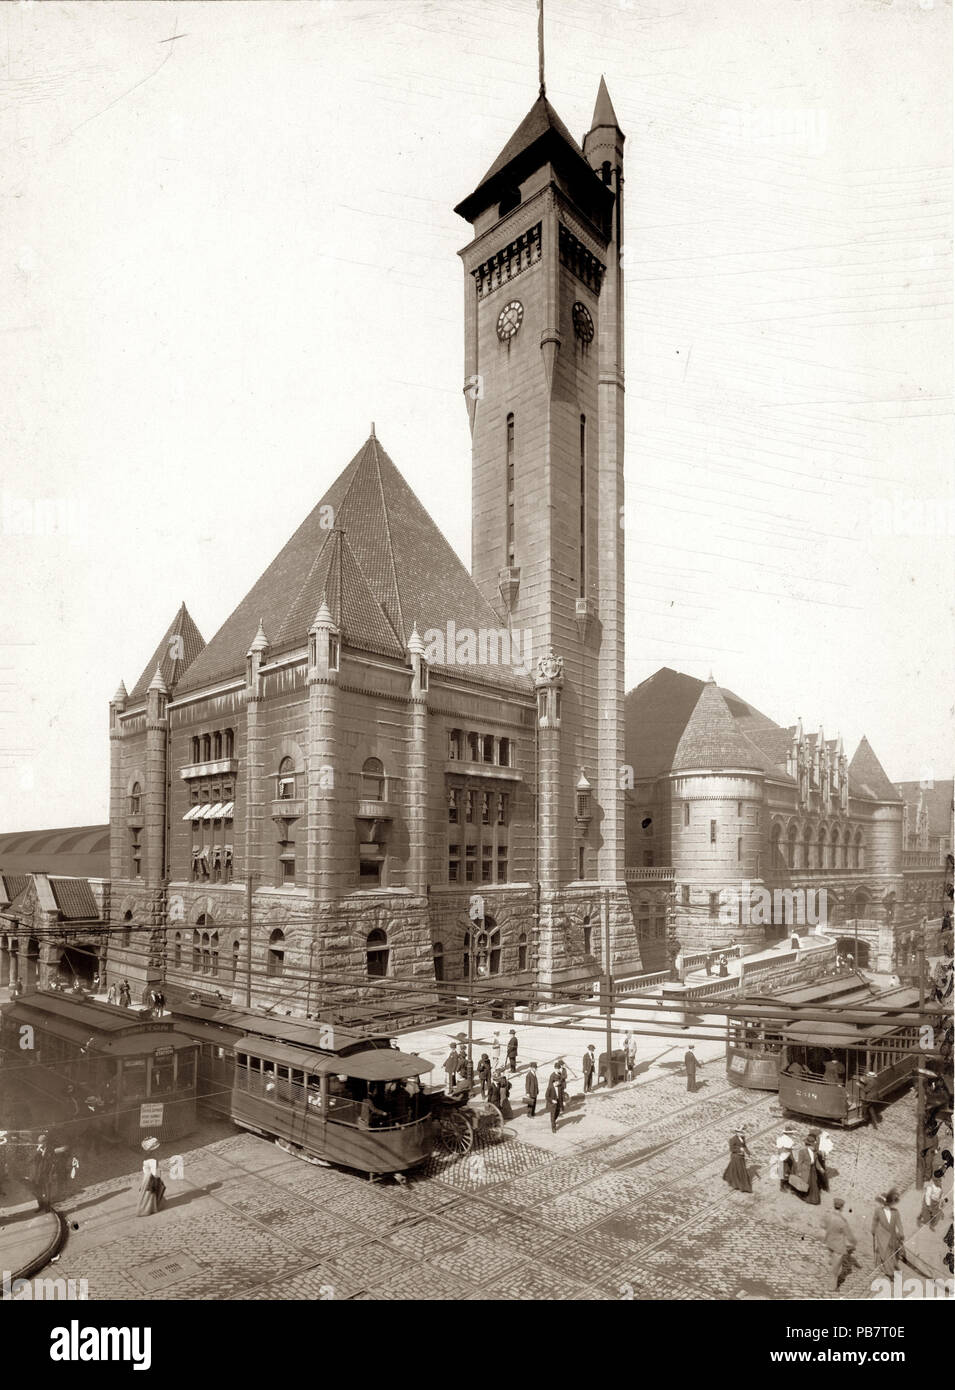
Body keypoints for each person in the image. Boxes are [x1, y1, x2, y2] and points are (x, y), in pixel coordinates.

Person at [822, 1198, 856, 1292]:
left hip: (829, 1242)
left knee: (832, 1260)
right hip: (838, 1246)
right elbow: (849, 1235)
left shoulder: (828, 1215)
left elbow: (823, 1225)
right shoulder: (842, 1221)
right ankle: (832, 1287)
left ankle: (831, 1264)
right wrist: (854, 1242)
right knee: (836, 1269)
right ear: (841, 1207)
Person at [872, 1190, 904, 1277]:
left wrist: (901, 1233)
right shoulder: (878, 1211)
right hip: (882, 1234)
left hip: (892, 1235)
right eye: (884, 1203)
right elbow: (875, 1221)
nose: (885, 1205)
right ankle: (890, 1272)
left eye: (887, 1203)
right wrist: (873, 1230)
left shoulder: (895, 1212)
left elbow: (899, 1223)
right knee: (885, 1252)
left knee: (891, 1251)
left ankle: (887, 1266)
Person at [722, 1127, 752, 1193]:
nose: (742, 1133)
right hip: (735, 1157)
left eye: (742, 1132)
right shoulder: (732, 1140)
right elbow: (731, 1149)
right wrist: (739, 1150)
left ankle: (729, 1177)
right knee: (739, 1170)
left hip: (741, 1157)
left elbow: (744, 1146)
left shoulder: (743, 1138)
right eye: (740, 1132)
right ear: (737, 1133)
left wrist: (748, 1152)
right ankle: (740, 1185)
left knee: (736, 1169)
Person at [30, 1134, 55, 1211]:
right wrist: (37, 1151)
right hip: (39, 1173)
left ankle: (47, 1206)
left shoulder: (50, 1149)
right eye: (39, 1142)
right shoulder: (37, 1150)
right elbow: (32, 1159)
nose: (40, 1143)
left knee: (47, 1191)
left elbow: (52, 1161)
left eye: (41, 1142)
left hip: (47, 1173)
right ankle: (41, 1205)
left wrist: (51, 1173)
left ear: (45, 1142)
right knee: (38, 1190)